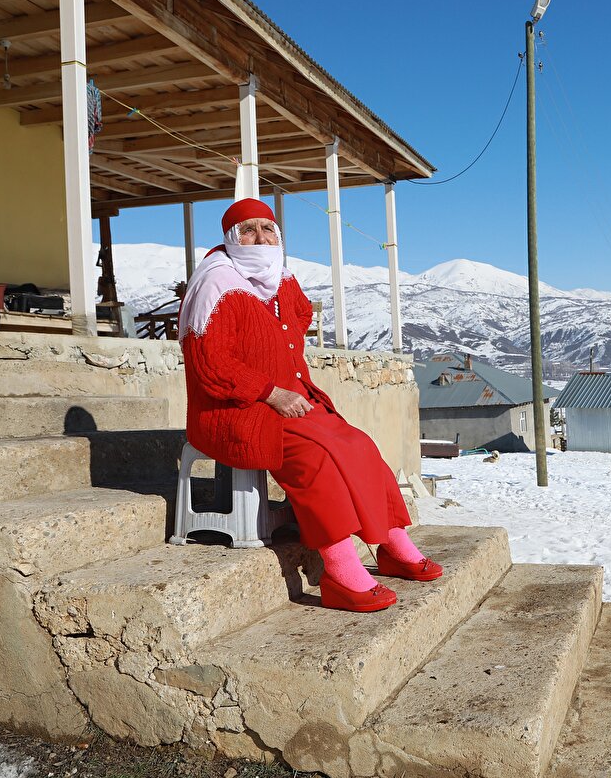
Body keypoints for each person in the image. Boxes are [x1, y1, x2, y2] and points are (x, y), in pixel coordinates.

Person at [179, 197, 441, 612]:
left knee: (358, 444)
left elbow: (299, 314)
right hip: (236, 408)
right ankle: (340, 573)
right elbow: (209, 365)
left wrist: (275, 352)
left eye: (268, 229)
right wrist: (271, 390)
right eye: (248, 230)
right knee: (315, 459)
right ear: (231, 238)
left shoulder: (280, 277)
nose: (260, 238)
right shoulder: (216, 285)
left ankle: (393, 546)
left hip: (291, 397)